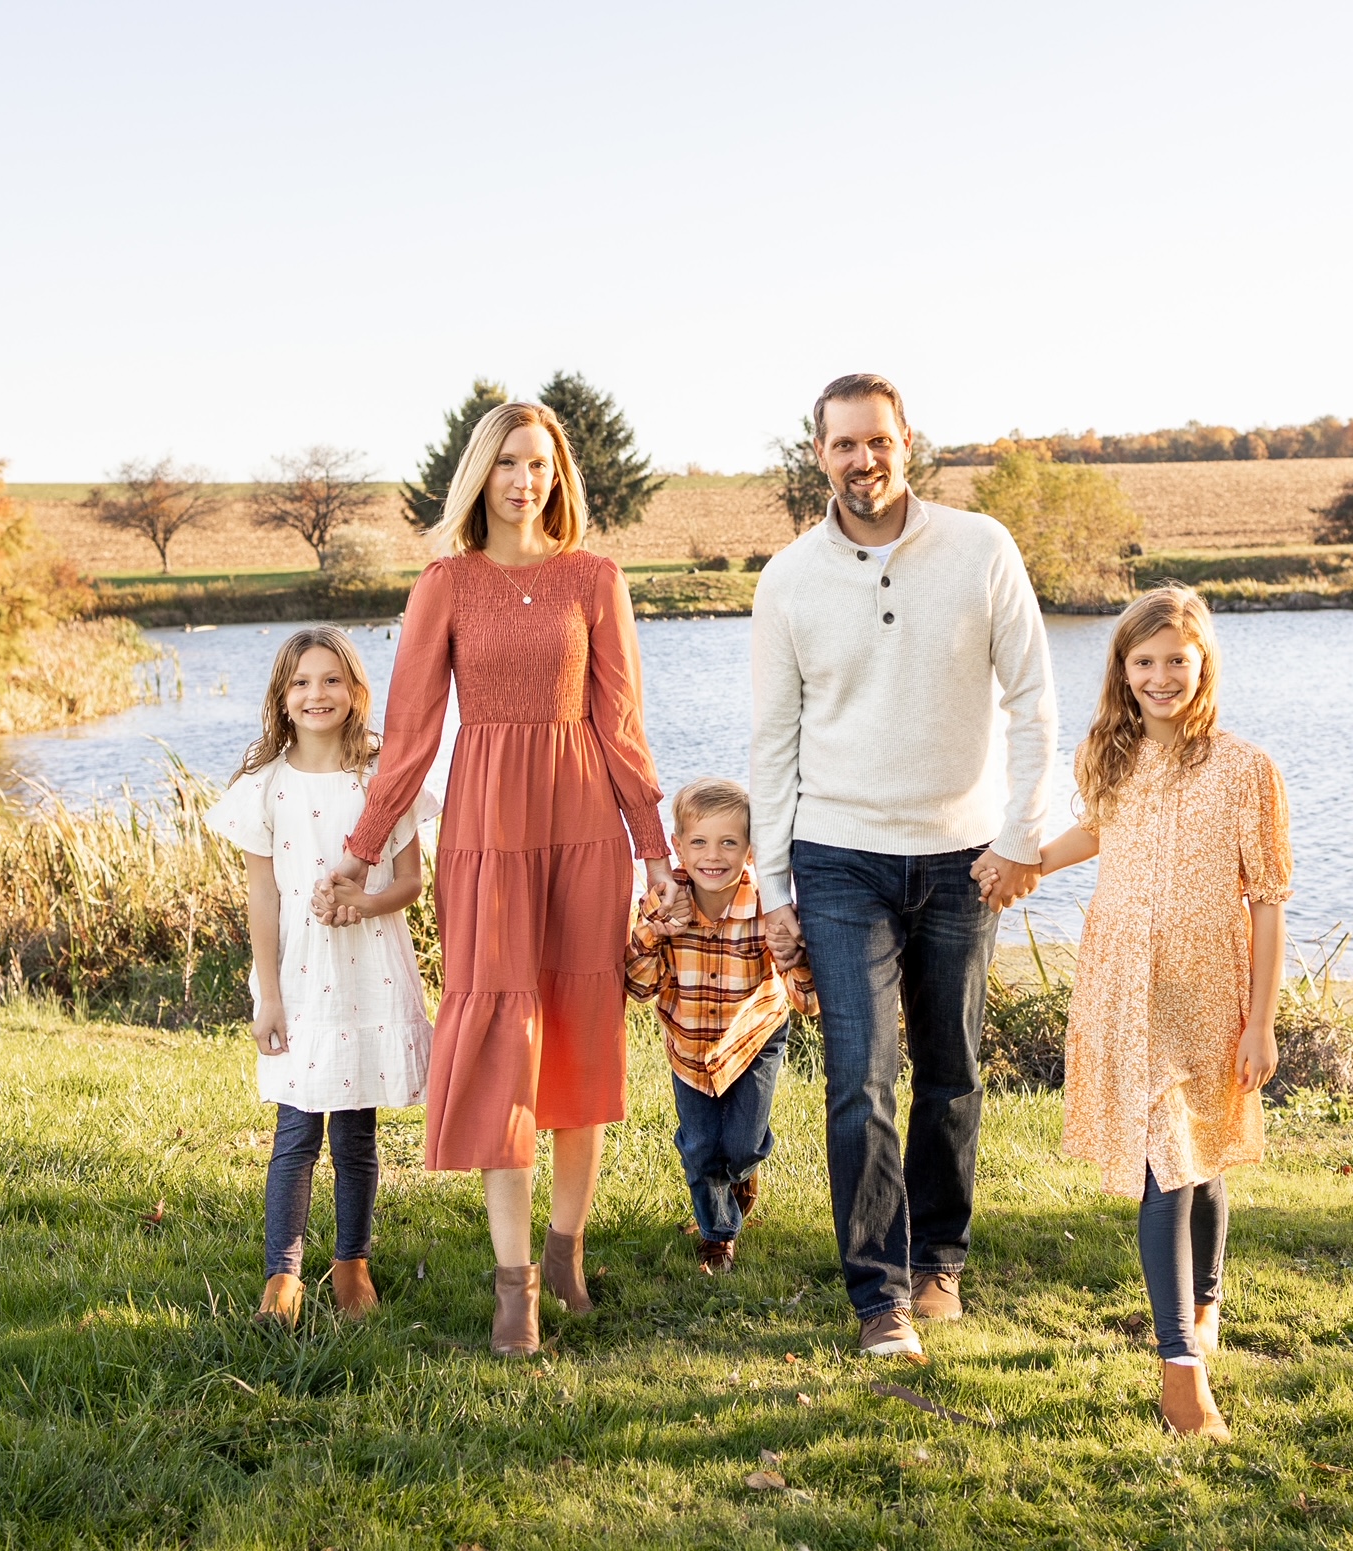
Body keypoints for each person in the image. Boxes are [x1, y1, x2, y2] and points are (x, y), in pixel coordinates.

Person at [327, 401, 683, 1358]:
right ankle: (514, 1287)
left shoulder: (595, 580)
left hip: (583, 831)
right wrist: (362, 849)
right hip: (484, 831)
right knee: (499, 1039)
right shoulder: (446, 584)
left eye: (542, 464)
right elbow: (409, 738)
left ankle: (567, 1252)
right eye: (510, 464)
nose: (527, 481)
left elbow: (621, 727)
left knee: (577, 1038)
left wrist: (656, 852)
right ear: (478, 476)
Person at [750, 372, 1059, 1359]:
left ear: (907, 443)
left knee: (953, 1069)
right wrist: (769, 889)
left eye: (876, 440)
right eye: (842, 444)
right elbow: (772, 741)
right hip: (838, 858)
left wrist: (1019, 834)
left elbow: (1036, 701)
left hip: (963, 856)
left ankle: (938, 1260)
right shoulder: (788, 580)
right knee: (859, 1080)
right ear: (819, 455)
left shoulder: (980, 548)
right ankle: (878, 1291)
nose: (861, 459)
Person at [1025, 584, 1290, 1440]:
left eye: (1176, 659)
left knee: (1201, 1149)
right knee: (1162, 1163)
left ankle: (1204, 1304)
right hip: (1122, 987)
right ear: (1123, 669)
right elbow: (1096, 836)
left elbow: (1269, 902)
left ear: (1203, 660)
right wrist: (1016, 865)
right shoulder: (1109, 754)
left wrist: (1260, 1021)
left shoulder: (1248, 769)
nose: (1161, 676)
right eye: (1144, 661)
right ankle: (1182, 1372)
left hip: (1209, 991)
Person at [203, 625, 437, 1328]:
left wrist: (360, 901)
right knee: (297, 1128)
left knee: (356, 1131)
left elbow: (410, 882)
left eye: (331, 680)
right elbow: (262, 897)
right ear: (281, 696)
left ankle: (352, 1261)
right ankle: (283, 1275)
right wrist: (268, 994)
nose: (316, 694)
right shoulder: (263, 786)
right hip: (299, 978)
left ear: (355, 690)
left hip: (369, 969)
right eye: (301, 682)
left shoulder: (381, 776)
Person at [624, 777, 818, 1275]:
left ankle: (744, 1172)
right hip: (688, 1043)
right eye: (700, 843)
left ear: (751, 849)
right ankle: (718, 1235)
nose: (714, 856)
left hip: (753, 1036)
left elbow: (808, 1003)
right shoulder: (664, 903)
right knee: (701, 1147)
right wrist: (652, 932)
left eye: (730, 842)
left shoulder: (769, 907)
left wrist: (795, 956)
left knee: (741, 1146)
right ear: (677, 849)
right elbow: (639, 989)